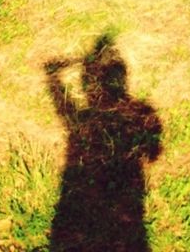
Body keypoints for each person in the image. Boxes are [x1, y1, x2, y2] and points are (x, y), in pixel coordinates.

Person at [45, 33, 162, 252]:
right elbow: (154, 153)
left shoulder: (88, 120)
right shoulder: (139, 113)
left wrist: (53, 78)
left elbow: (65, 111)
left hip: (88, 209)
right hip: (121, 210)